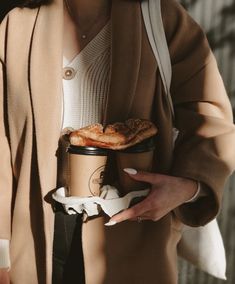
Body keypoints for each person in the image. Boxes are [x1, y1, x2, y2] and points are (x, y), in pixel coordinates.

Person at [0, 0, 235, 283]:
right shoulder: (18, 24)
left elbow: (210, 117)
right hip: (36, 237)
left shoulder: (160, 16)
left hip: (136, 234)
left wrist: (188, 185)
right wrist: (1, 252)